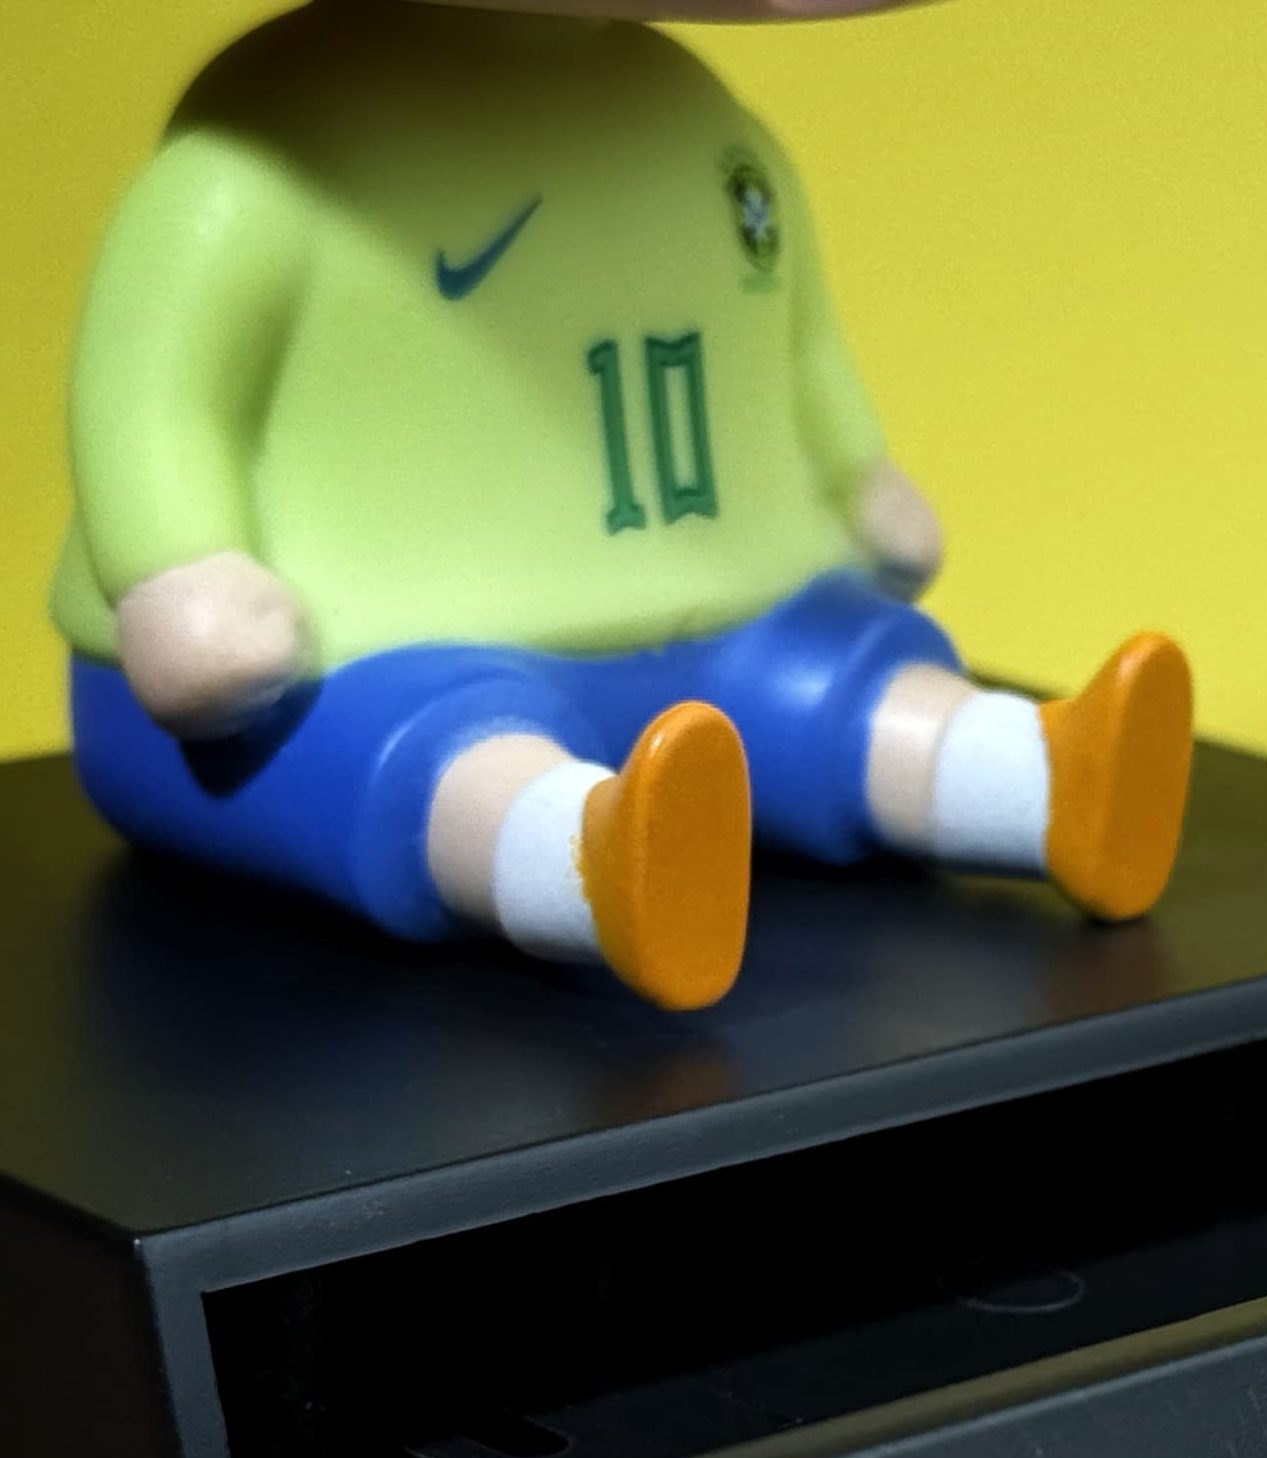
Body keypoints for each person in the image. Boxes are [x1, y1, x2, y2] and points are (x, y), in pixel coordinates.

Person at [55, 0, 1193, 1010]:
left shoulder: (693, 122)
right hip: (352, 658)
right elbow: (154, 392)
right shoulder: (273, 150)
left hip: (729, 616)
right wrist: (176, 568)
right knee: (433, 752)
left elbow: (796, 334)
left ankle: (1038, 777)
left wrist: (852, 474)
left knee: (837, 682)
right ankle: (588, 861)